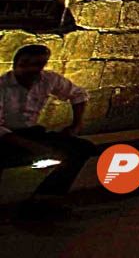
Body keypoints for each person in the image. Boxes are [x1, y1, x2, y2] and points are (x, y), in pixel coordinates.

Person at [1, 44, 93, 219]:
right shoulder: (2, 86)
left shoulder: (47, 79)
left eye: (38, 65)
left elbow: (78, 94)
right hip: (6, 138)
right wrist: (32, 146)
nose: (32, 70)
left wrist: (76, 125)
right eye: (26, 64)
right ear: (16, 64)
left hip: (32, 133)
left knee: (82, 148)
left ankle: (44, 199)